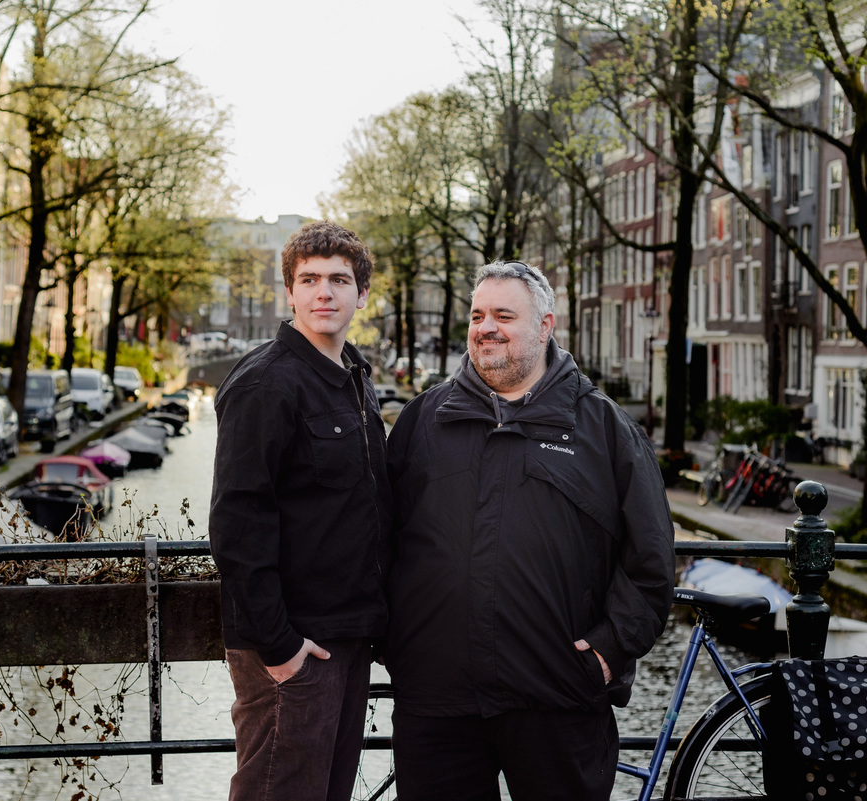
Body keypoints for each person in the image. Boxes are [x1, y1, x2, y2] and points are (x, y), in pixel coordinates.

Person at [384, 260, 675, 800]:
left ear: (545, 326)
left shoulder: (604, 429)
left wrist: (608, 651)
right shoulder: (424, 421)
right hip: (437, 699)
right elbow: (377, 539)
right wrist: (396, 643)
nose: (485, 326)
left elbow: (651, 562)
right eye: (476, 315)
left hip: (558, 695)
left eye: (503, 315)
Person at [209, 220, 393, 801]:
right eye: (309, 279)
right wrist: (281, 648)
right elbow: (237, 523)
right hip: (294, 649)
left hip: (346, 636)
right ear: (289, 292)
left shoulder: (354, 378)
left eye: (339, 280)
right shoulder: (266, 384)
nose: (324, 293)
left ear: (362, 295)